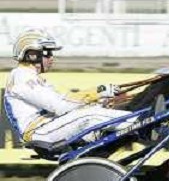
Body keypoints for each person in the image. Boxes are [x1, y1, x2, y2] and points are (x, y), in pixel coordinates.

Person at [4, 28, 135, 149]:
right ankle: (141, 122)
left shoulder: (32, 77)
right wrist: (98, 92)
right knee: (90, 115)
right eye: (47, 53)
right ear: (32, 54)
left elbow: (68, 100)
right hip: (40, 132)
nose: (51, 58)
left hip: (49, 126)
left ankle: (136, 126)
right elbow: (62, 107)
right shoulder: (23, 77)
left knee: (95, 111)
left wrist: (101, 99)